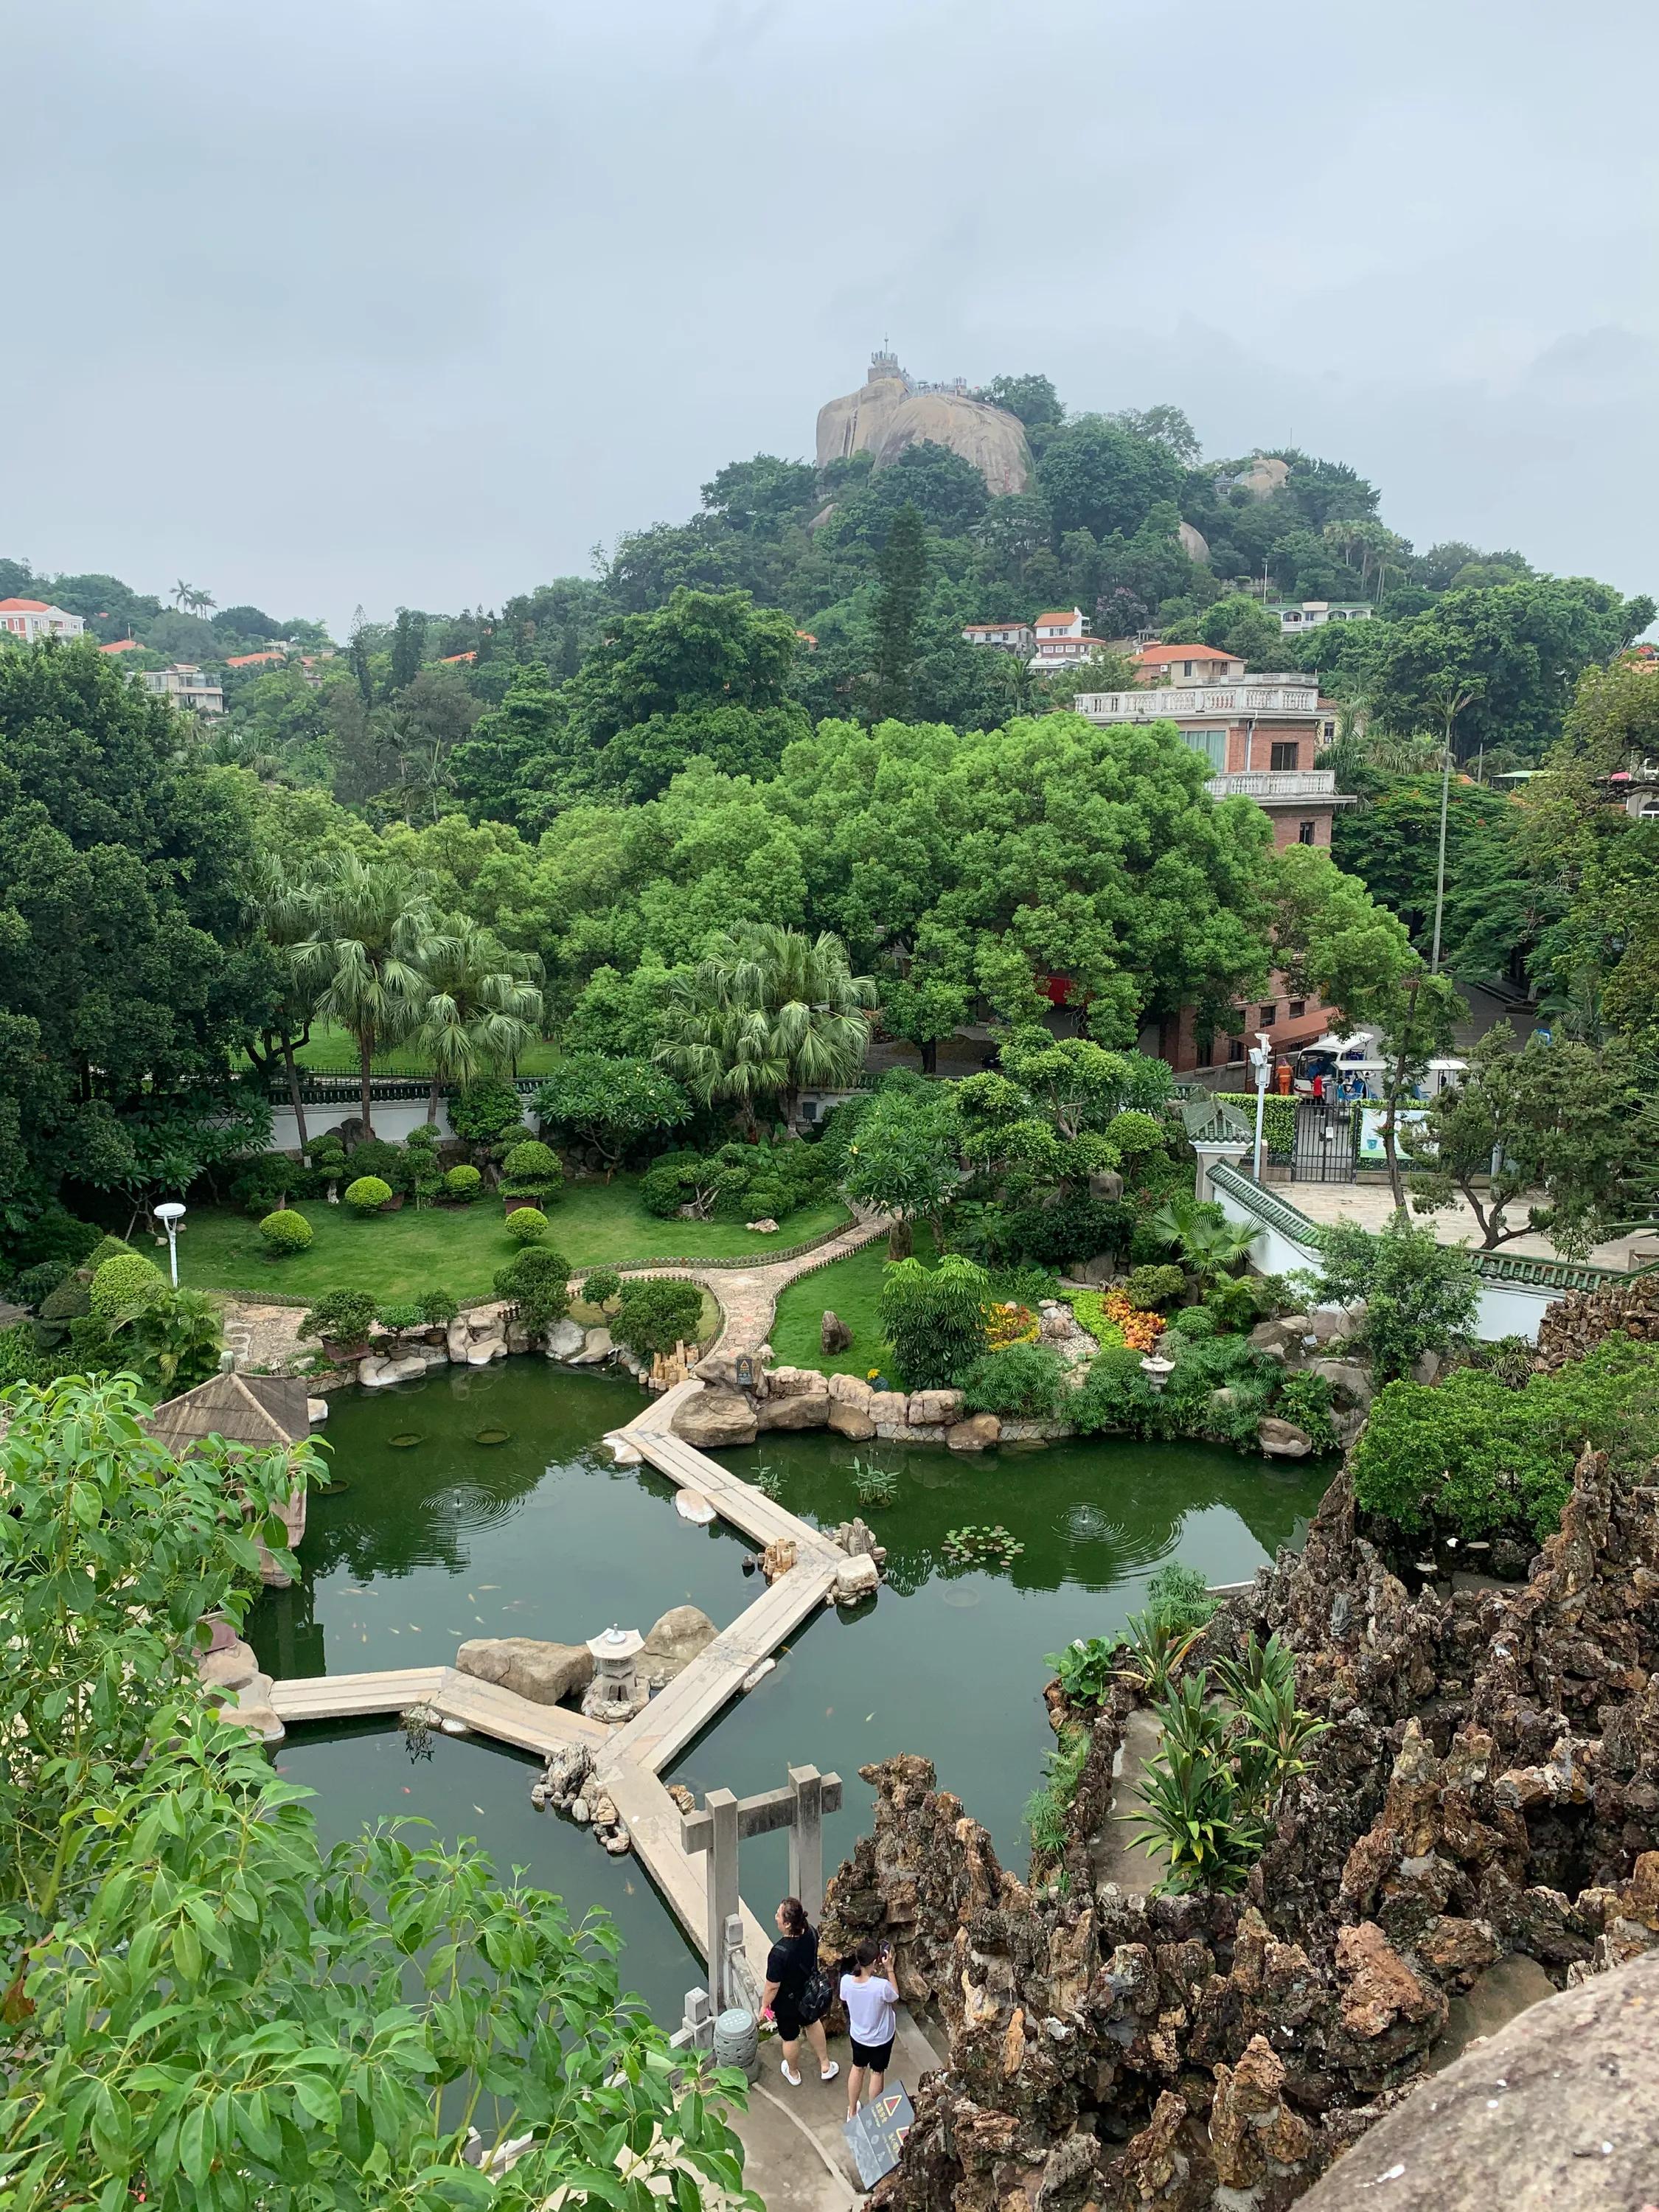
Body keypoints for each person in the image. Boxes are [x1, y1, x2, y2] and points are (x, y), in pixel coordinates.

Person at [762, 1897, 838, 2088]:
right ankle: (825, 2065)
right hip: (809, 1993)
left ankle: (793, 2072)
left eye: (778, 1915)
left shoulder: (778, 1953)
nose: (776, 1917)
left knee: (790, 2037)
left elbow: (772, 1986)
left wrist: (764, 2006)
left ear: (787, 1924)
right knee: (812, 2023)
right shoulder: (811, 1932)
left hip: (787, 2003)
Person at [839, 1938, 899, 2123]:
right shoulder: (880, 1987)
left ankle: (852, 2112)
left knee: (858, 2068)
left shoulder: (846, 1981)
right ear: (875, 1962)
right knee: (877, 2072)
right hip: (881, 2038)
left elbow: (844, 1998)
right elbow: (895, 1996)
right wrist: (889, 1969)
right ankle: (874, 2114)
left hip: (858, 2036)